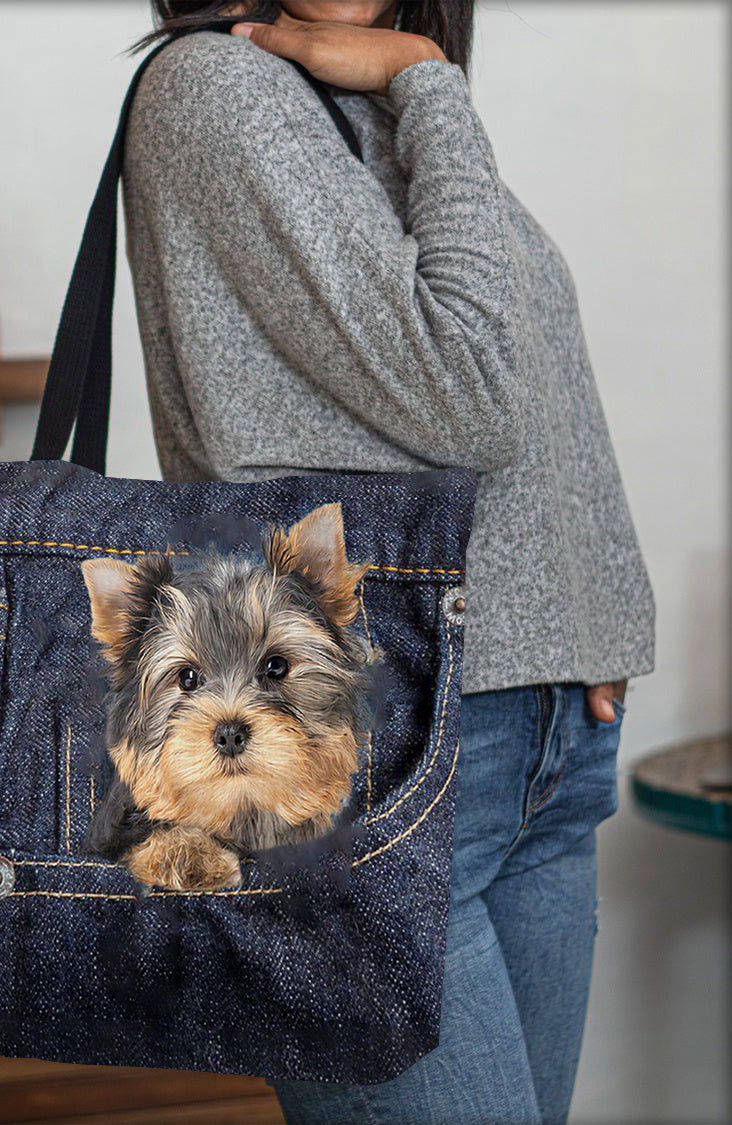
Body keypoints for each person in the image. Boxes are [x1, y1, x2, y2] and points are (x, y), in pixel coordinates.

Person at [119, 2, 656, 1122]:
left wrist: (587, 627)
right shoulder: (220, 88)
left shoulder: (364, 97)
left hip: (538, 743)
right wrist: (429, 77)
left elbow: (537, 372)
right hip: (374, 757)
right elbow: (473, 394)